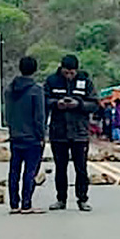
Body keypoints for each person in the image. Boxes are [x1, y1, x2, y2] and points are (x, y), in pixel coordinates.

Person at [45, 54, 99, 211]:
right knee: (60, 167)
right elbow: (44, 100)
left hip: (79, 132)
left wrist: (79, 104)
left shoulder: (86, 82)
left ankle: (82, 199)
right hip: (59, 132)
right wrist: (57, 103)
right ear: (61, 69)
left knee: (81, 168)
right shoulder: (52, 81)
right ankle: (61, 199)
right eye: (66, 72)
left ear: (76, 70)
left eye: (72, 73)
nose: (69, 75)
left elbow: (94, 103)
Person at [6, 56, 47, 214]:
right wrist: (41, 135)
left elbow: (8, 114)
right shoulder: (36, 90)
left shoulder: (10, 90)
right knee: (30, 171)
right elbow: (39, 116)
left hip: (15, 136)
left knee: (14, 171)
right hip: (32, 137)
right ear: (35, 69)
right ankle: (27, 204)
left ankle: (14, 204)